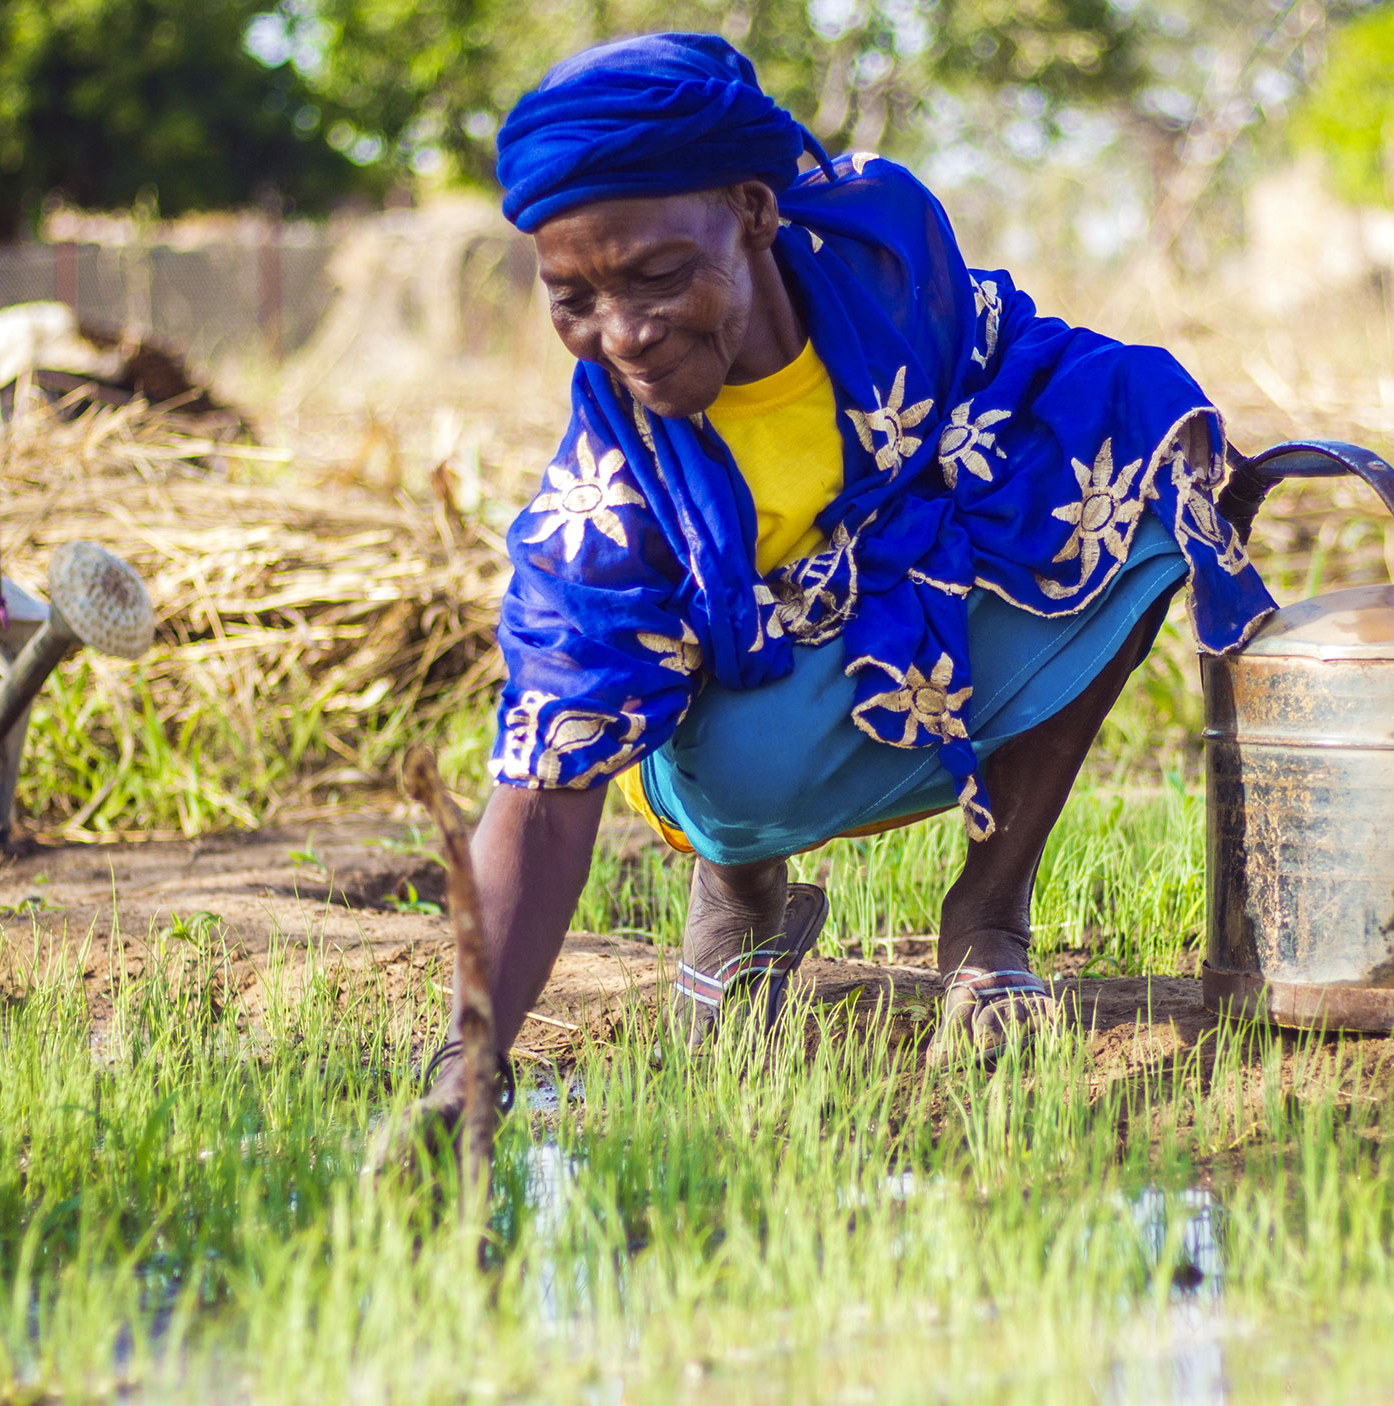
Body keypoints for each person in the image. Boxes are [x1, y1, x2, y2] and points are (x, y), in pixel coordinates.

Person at [413, 32, 1277, 1122]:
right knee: (734, 776)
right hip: (746, 732)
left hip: (918, 591)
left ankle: (987, 919)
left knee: (1142, 450)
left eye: (658, 275)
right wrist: (470, 1060)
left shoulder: (883, 253)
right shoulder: (609, 501)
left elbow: (1028, 363)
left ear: (755, 211)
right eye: (572, 296)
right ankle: (738, 896)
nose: (622, 332)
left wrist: (1159, 442)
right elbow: (541, 788)